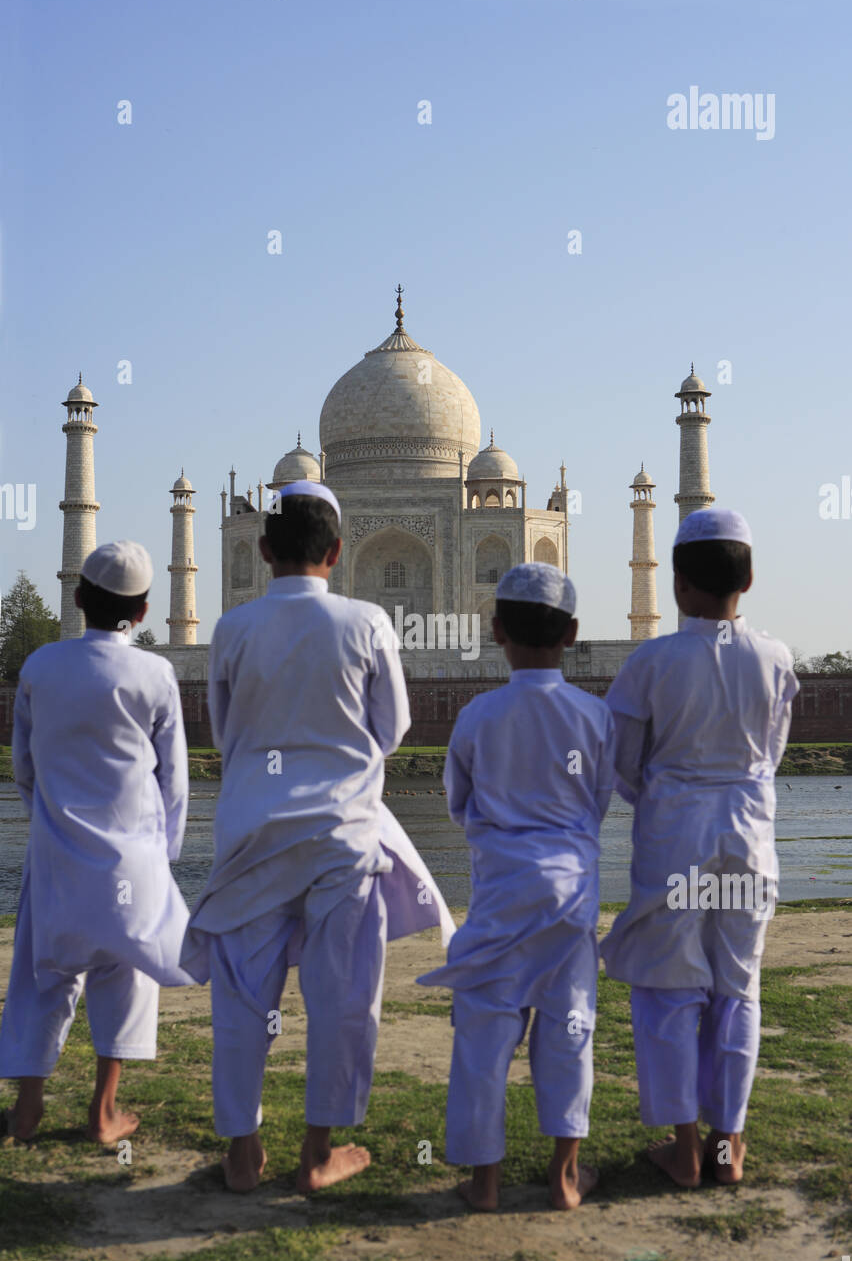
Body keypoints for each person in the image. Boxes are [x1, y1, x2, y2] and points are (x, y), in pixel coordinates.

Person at [181, 481, 455, 1194]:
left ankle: (242, 1156)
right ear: (339, 552)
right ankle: (317, 1153)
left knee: (243, 1001)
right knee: (344, 999)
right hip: (344, 835)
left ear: (264, 550)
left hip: (252, 837)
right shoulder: (366, 622)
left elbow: (222, 724)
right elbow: (392, 730)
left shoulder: (235, 628)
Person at [600, 508, 799, 1187]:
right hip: (749, 835)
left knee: (669, 987)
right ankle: (727, 1146)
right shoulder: (775, 658)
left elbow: (623, 764)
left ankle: (684, 1148)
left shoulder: (650, 661)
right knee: (737, 986)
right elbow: (768, 756)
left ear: (678, 582)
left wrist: (666, 796)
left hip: (673, 836)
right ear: (749, 577)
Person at [418, 563, 614, 1212]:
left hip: (500, 898)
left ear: (494, 629)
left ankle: (485, 1184)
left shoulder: (479, 714)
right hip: (571, 898)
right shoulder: (595, 716)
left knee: (483, 1039)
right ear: (573, 634)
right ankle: (563, 1176)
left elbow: (457, 802)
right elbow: (599, 802)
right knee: (569, 1031)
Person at [0, 541, 192, 1144]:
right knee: (124, 975)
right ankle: (103, 1111)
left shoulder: (39, 668)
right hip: (131, 858)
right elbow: (174, 780)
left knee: (40, 978)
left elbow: (23, 766)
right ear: (142, 613)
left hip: (57, 854)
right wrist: (164, 857)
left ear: (78, 599)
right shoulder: (155, 673)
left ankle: (27, 1109)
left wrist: (51, 821)